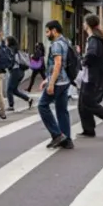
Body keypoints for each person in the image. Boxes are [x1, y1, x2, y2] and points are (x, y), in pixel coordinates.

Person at [39, 20, 74, 149]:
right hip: (65, 80)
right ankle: (67, 140)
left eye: (48, 31)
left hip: (58, 81)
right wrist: (47, 79)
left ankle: (57, 135)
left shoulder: (56, 45)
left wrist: (51, 83)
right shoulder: (66, 42)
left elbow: (57, 64)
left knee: (42, 106)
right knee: (61, 110)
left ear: (54, 31)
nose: (47, 34)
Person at [4, 36, 34, 112]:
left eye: (6, 41)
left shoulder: (10, 50)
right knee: (14, 90)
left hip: (15, 71)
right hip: (21, 72)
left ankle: (11, 106)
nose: (5, 42)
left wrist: (7, 66)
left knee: (9, 89)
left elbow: (12, 61)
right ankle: (29, 99)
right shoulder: (16, 49)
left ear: (9, 42)